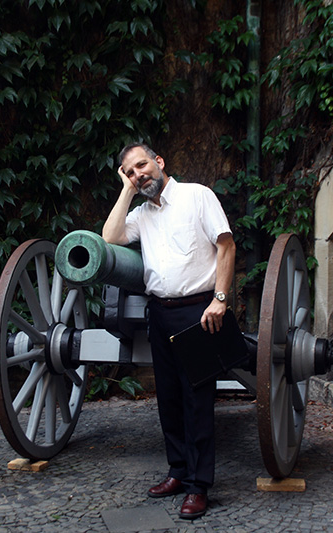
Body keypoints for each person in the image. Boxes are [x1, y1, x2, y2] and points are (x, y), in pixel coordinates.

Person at [102, 143, 235, 520]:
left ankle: (199, 487)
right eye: (129, 171)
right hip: (159, 313)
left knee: (197, 402)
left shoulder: (197, 196)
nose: (138, 174)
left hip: (199, 310)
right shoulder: (142, 214)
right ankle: (178, 472)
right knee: (169, 400)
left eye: (141, 165)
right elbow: (109, 237)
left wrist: (220, 299)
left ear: (159, 161)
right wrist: (127, 191)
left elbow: (226, 247)